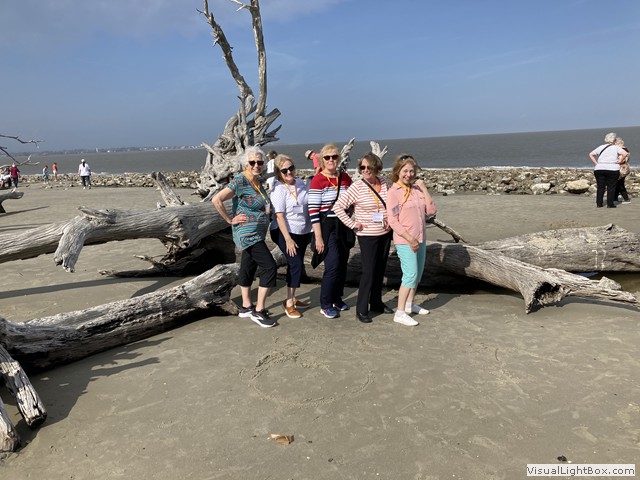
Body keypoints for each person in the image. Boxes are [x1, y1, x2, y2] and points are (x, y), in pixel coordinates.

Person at [211, 146, 278, 328]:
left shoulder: (257, 181)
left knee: (248, 266)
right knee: (270, 267)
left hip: (257, 233)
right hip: (248, 233)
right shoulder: (240, 180)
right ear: (245, 164)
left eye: (260, 162)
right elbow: (216, 199)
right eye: (252, 162)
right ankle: (259, 310)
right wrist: (230, 220)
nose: (256, 165)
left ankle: (247, 306)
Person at [334, 152, 393, 323]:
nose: (365, 170)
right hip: (367, 235)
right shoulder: (357, 187)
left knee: (380, 269)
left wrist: (390, 220)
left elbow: (391, 204)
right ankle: (361, 309)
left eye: (369, 167)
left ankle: (376, 302)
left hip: (385, 233)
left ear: (376, 167)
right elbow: (338, 207)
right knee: (369, 271)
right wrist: (352, 224)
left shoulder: (384, 182)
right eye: (362, 167)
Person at [386, 154, 437, 327]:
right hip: (405, 240)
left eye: (411, 171)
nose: (408, 174)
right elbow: (393, 221)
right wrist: (410, 239)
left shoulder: (416, 189)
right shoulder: (393, 192)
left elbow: (431, 211)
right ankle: (400, 312)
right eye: (405, 171)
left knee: (418, 274)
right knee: (410, 275)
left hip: (420, 238)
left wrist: (424, 188)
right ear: (397, 171)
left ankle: (410, 303)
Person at [308, 143, 353, 319]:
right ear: (322, 160)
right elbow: (313, 211)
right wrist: (318, 237)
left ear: (339, 158)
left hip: (343, 224)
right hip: (327, 225)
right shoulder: (318, 180)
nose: (331, 160)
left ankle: (336, 298)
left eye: (334, 156)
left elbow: (352, 200)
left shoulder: (345, 177)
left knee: (342, 264)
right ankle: (325, 304)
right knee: (332, 264)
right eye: (327, 157)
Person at [270, 154, 312, 319]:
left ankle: (293, 297)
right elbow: (279, 216)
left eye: (291, 168)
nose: (289, 172)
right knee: (295, 264)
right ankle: (288, 303)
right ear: (278, 173)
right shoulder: (278, 189)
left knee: (297, 263)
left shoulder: (300, 183)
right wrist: (288, 239)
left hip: (302, 230)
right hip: (284, 231)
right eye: (284, 170)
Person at [589, 132, 629, 208]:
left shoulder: (601, 147)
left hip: (599, 168)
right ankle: (610, 204)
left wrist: (596, 163)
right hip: (612, 169)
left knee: (600, 187)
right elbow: (625, 153)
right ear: (614, 140)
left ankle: (599, 203)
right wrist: (620, 160)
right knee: (611, 187)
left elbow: (591, 154)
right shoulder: (616, 147)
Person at [614, 137, 631, 205]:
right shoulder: (625, 150)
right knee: (618, 183)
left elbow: (621, 160)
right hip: (624, 168)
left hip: (622, 168)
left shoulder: (622, 150)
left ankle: (626, 199)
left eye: (615, 144)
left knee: (619, 183)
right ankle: (615, 198)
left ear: (619, 144)